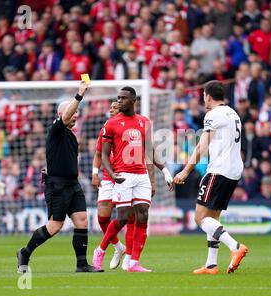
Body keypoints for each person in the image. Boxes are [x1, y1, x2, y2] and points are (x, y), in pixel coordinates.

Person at [16, 81, 102, 273]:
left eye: (77, 114)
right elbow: (67, 115)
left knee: (82, 220)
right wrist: (79, 95)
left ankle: (81, 264)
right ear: (61, 115)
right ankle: (25, 252)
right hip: (57, 185)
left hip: (73, 184)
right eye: (73, 113)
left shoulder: (71, 136)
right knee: (55, 226)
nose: (76, 116)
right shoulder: (55, 130)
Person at [92, 87, 174, 272]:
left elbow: (149, 150)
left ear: (133, 101)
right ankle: (100, 250)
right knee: (121, 218)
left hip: (141, 175)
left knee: (143, 215)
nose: (119, 101)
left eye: (123, 98)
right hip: (123, 176)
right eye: (118, 98)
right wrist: (112, 174)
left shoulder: (144, 122)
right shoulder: (111, 124)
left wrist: (165, 170)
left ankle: (134, 263)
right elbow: (104, 154)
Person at [174, 80, 248, 275]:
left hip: (219, 170)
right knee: (213, 217)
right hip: (233, 171)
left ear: (207, 95)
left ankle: (235, 246)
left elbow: (202, 146)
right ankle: (211, 264)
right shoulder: (233, 113)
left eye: (203, 95)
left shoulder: (213, 115)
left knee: (201, 218)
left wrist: (185, 171)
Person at [92, 101, 132, 271]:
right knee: (102, 217)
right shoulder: (105, 129)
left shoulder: (130, 129)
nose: (111, 109)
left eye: (114, 107)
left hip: (125, 176)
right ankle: (118, 247)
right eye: (110, 107)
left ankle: (128, 256)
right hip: (108, 178)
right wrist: (95, 173)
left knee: (127, 218)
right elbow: (99, 153)